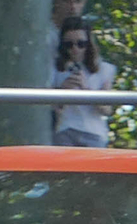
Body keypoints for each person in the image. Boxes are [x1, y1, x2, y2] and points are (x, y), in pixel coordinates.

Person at [50, 17, 118, 147]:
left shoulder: (104, 69)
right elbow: (50, 108)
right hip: (65, 130)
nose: (75, 49)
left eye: (81, 44)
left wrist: (86, 89)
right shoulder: (54, 69)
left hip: (93, 133)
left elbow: (107, 110)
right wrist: (61, 91)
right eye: (69, 45)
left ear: (88, 45)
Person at [46, 0, 87, 71]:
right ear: (56, 2)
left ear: (83, 3)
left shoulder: (84, 34)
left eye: (77, 1)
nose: (73, 7)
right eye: (67, 1)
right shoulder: (44, 34)